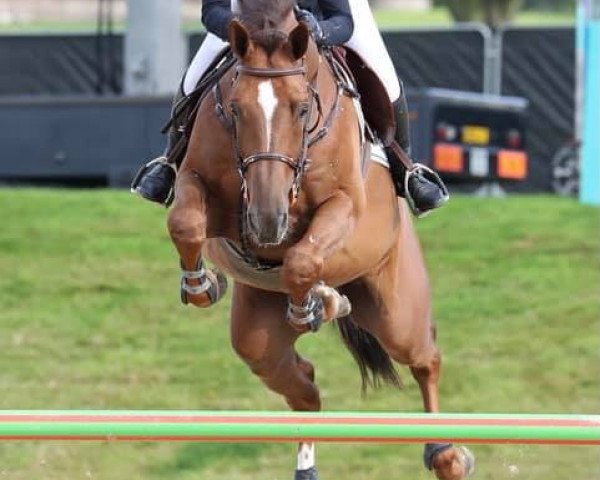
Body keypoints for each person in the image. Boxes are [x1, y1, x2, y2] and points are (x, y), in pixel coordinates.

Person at [131, 0, 448, 216]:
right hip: (246, 25)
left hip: (321, 21)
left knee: (382, 72)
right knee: (195, 77)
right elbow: (211, 10)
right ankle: (169, 162)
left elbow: (343, 21)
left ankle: (406, 167)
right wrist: (235, 25)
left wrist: (318, 30)